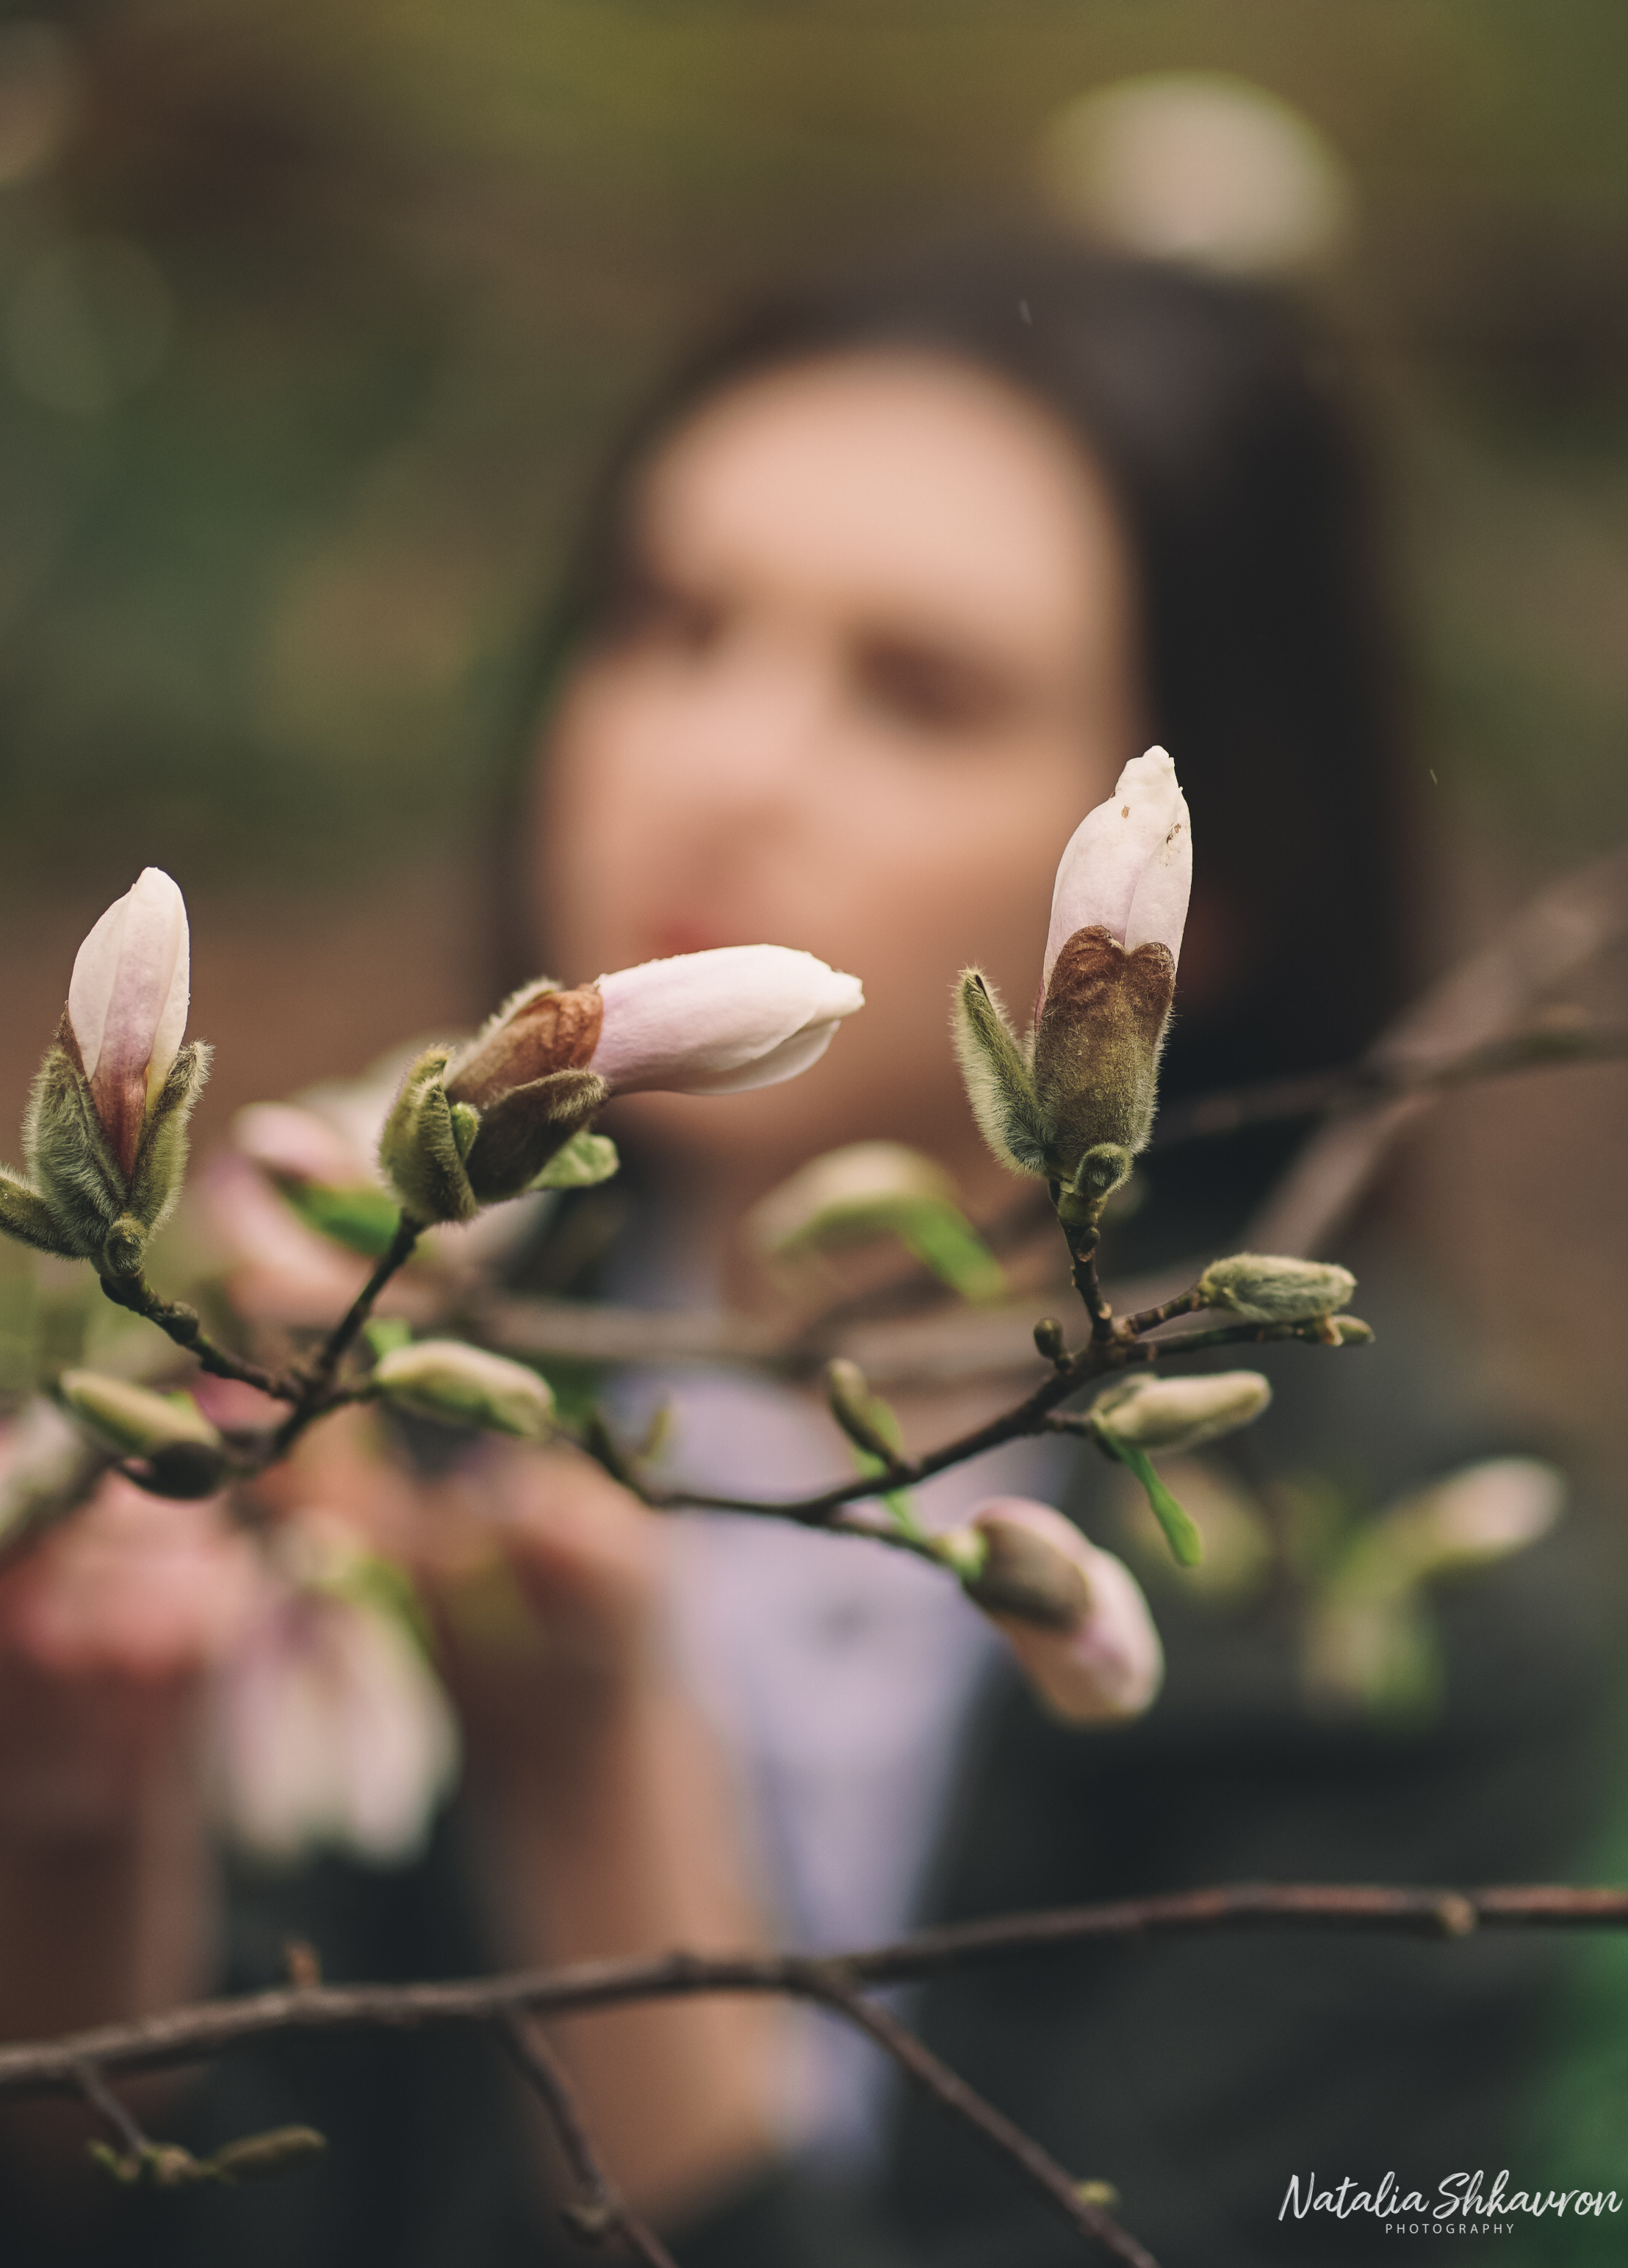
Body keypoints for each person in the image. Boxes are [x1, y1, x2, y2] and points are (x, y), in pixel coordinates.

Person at [0, 239, 1607, 2268]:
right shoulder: (348, 1366)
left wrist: (595, 1802)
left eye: (917, 693)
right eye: (669, 624)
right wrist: (73, 1831)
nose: (723, 762)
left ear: (1240, 889)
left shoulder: (1422, 1623)